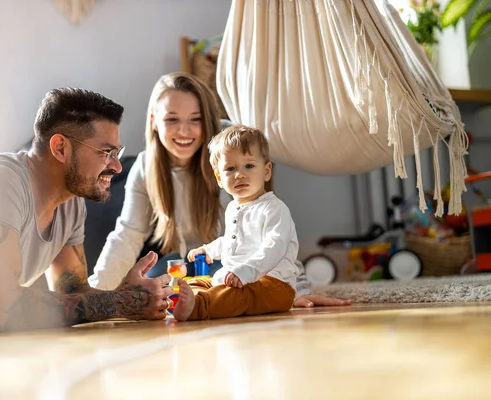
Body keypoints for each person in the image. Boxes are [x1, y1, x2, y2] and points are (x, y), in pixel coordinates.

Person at [88, 72, 351, 309]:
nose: (184, 131)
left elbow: (271, 232)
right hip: (182, 260)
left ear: (208, 120)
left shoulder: (229, 162)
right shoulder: (146, 166)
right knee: (152, 287)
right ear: (155, 121)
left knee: (227, 287)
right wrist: (97, 292)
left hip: (231, 261)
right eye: (172, 119)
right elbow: (128, 235)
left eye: (195, 120)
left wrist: (297, 290)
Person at [0, 88, 174, 333]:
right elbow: (1, 313)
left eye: (117, 153)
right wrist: (121, 301)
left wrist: (132, 299)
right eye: (106, 153)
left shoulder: (70, 200)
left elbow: (73, 293)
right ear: (60, 148)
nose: (117, 167)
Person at [174, 125, 299, 320]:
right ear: (219, 179)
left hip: (273, 284)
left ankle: (198, 307)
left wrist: (247, 271)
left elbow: (275, 246)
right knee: (200, 282)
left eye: (249, 166)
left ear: (266, 171)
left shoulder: (274, 208)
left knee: (236, 295)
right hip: (239, 277)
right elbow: (231, 241)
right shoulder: (233, 207)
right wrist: (209, 250)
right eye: (230, 169)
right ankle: (191, 299)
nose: (239, 174)